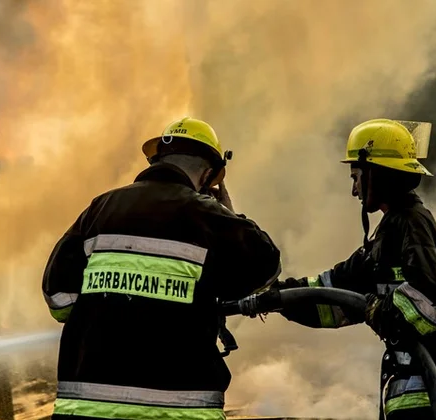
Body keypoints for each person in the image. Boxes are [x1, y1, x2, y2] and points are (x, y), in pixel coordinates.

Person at [41, 116, 282, 420]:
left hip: (88, 406)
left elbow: (58, 299)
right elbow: (267, 268)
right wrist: (229, 213)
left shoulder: (100, 209)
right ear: (208, 176)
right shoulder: (208, 216)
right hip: (180, 409)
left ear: (156, 161)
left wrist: (108, 311)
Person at [272, 118, 436, 419]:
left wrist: (381, 311)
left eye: (355, 177)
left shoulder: (412, 222)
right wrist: (277, 296)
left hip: (428, 401)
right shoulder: (390, 231)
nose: (354, 190)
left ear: (376, 174)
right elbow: (337, 291)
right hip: (413, 398)